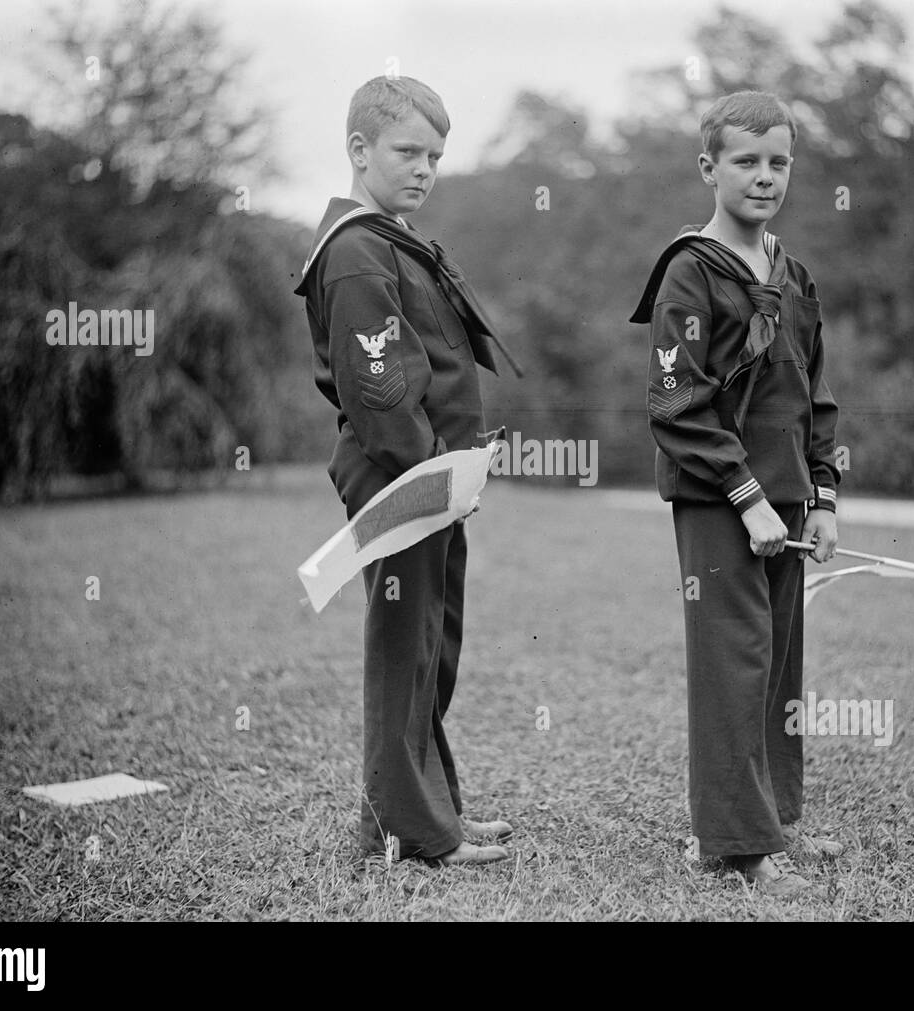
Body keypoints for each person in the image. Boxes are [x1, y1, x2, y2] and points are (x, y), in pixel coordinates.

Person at [294, 76, 518, 866]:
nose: (425, 168)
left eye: (436, 155)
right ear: (359, 151)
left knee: (431, 644)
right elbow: (381, 389)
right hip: (404, 477)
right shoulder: (355, 252)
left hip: (437, 477)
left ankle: (434, 809)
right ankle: (407, 829)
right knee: (404, 647)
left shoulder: (390, 236)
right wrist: (438, 478)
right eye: (408, 152)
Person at [629, 91, 844, 895]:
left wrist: (822, 495)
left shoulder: (792, 272)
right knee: (734, 661)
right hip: (721, 498)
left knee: (779, 661)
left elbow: (816, 392)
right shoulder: (690, 271)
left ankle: (773, 819)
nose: (764, 177)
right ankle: (737, 845)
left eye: (778, 162)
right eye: (746, 161)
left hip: (785, 494)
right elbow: (674, 403)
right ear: (708, 167)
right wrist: (747, 496)